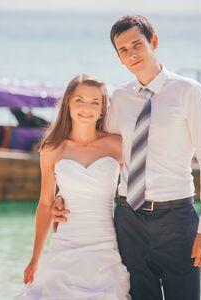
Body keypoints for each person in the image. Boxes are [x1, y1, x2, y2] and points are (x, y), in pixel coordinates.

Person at [52, 15, 201, 300]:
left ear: (153, 42)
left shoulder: (188, 92)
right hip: (128, 220)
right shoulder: (119, 98)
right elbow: (96, 150)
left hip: (176, 220)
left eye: (137, 45)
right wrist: (63, 193)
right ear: (119, 58)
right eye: (123, 50)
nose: (131, 54)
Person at [13, 74, 131, 299]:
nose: (86, 108)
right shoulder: (51, 148)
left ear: (102, 108)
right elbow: (46, 203)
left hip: (106, 247)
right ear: (67, 102)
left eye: (95, 102)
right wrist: (36, 258)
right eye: (79, 100)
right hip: (65, 245)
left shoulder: (117, 144)